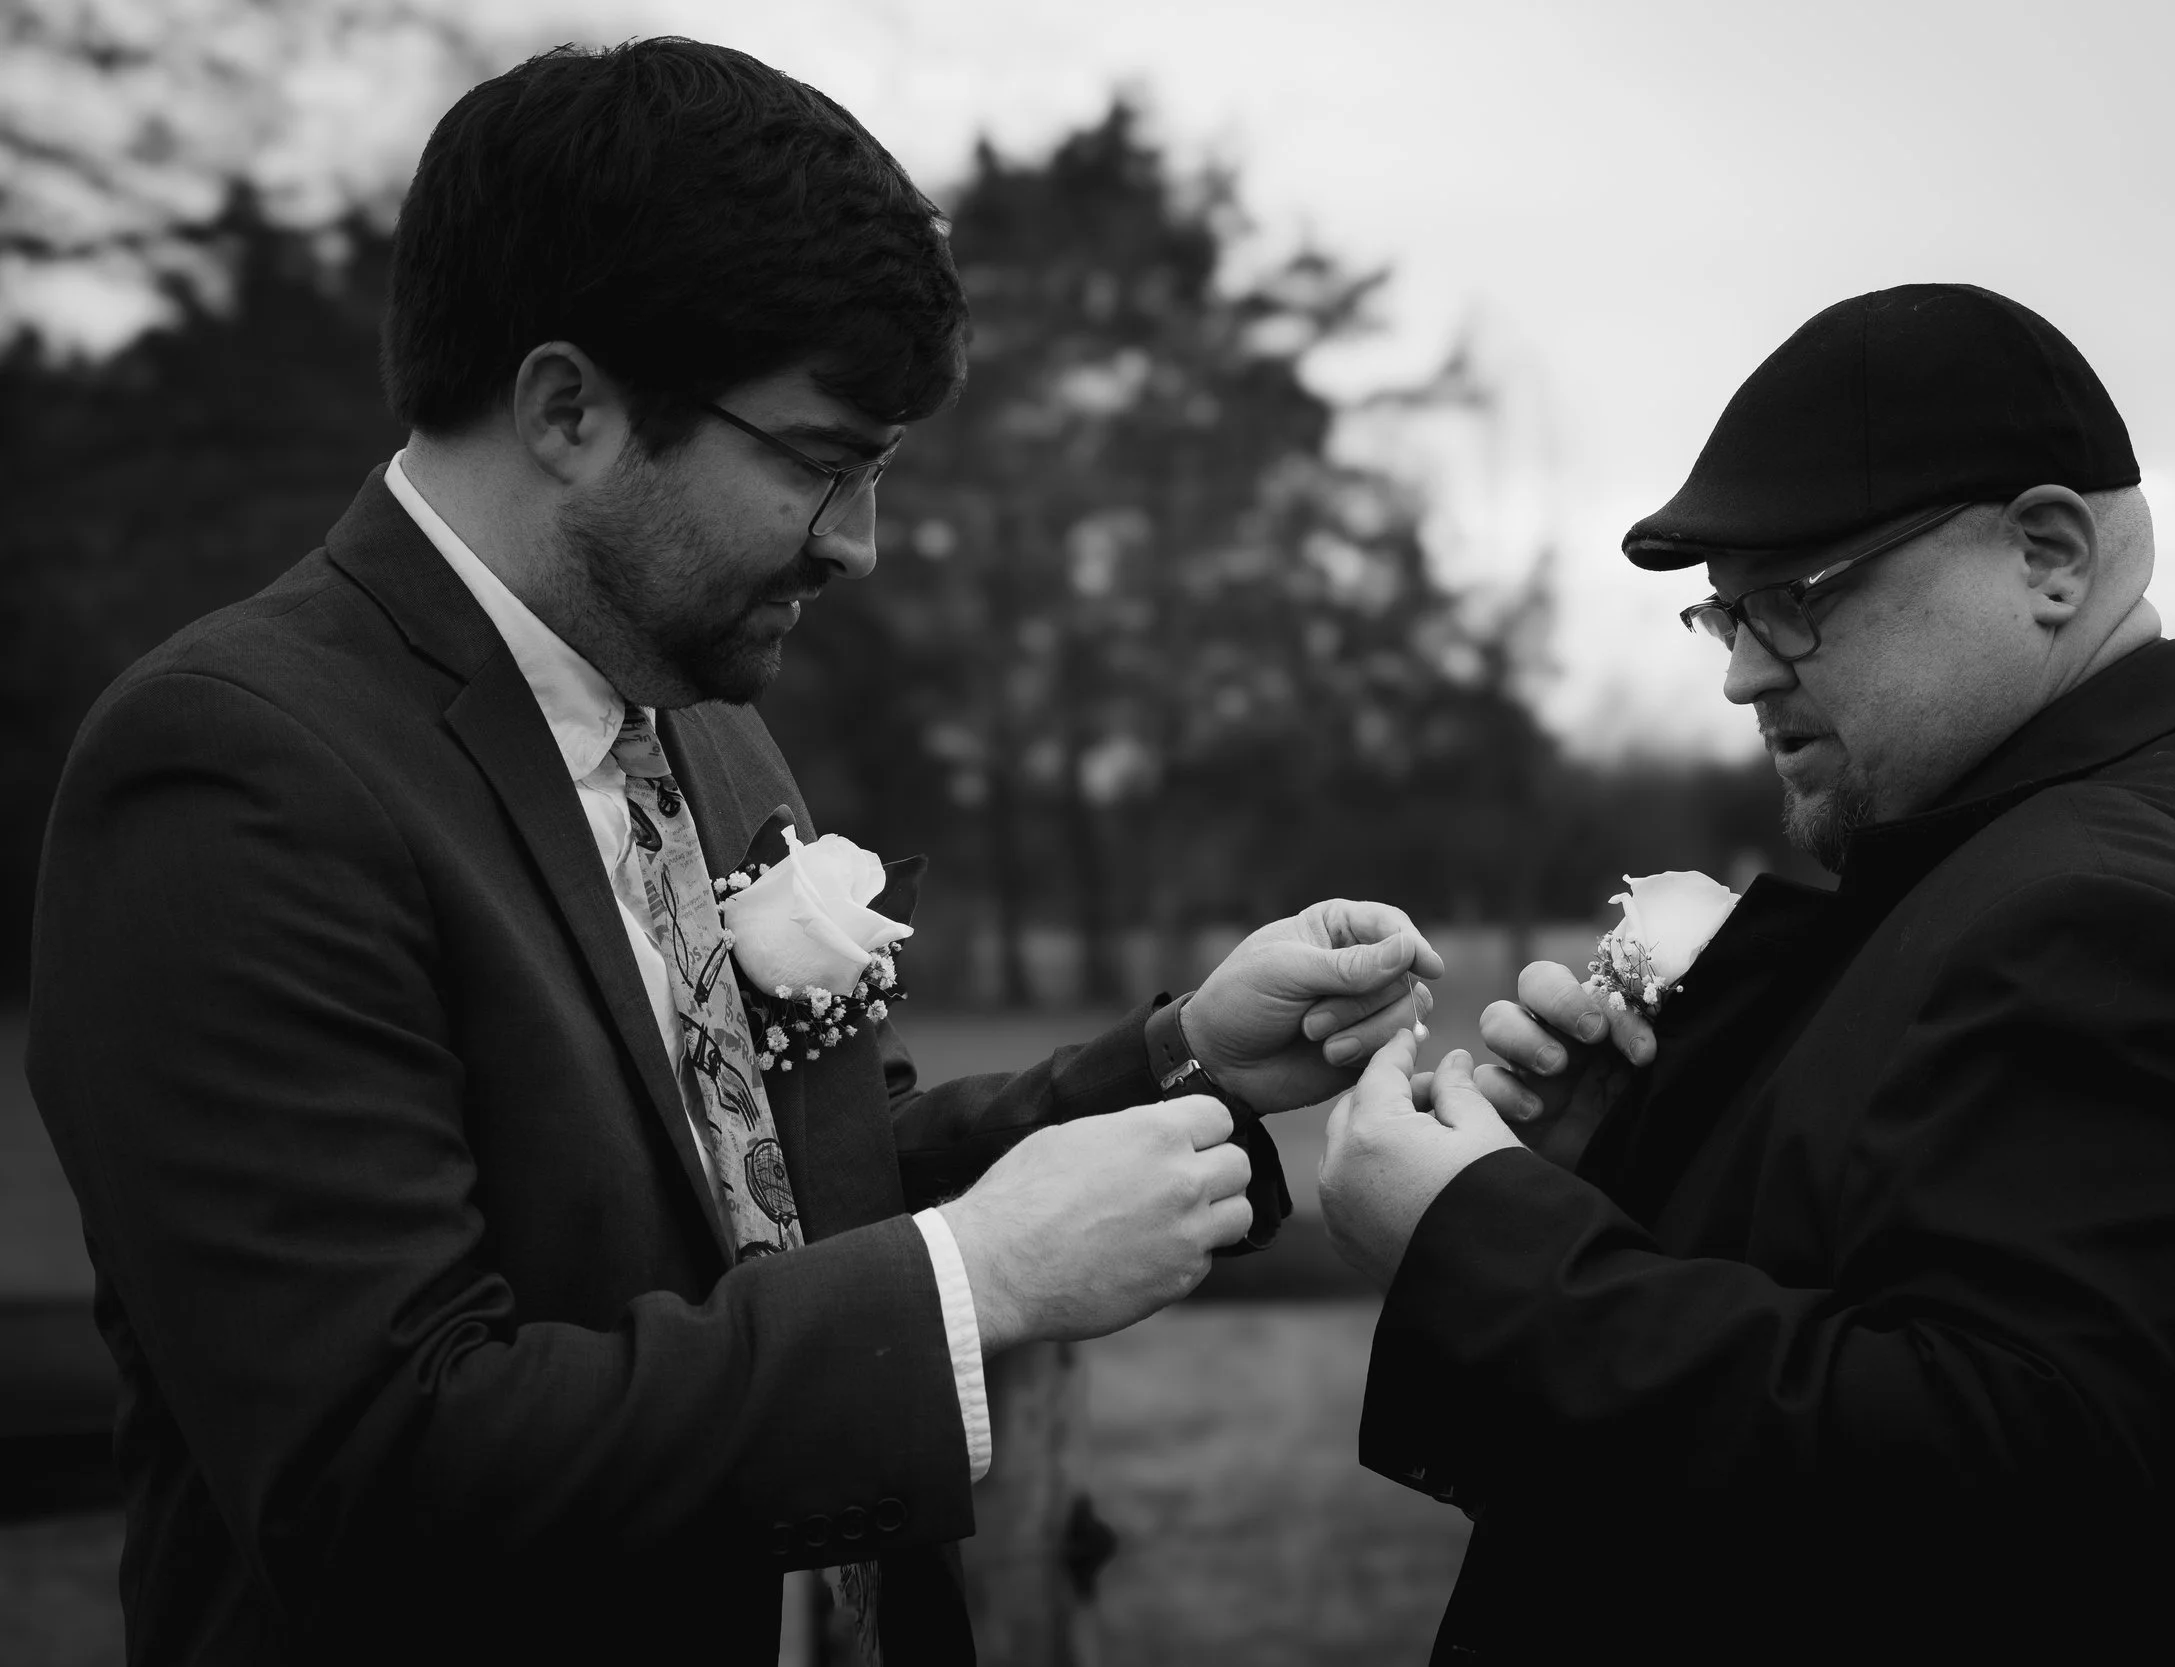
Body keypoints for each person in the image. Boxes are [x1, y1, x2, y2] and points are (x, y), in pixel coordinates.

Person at [26, 39, 1437, 1667]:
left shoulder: (693, 715)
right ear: (567, 407)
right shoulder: (233, 773)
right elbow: (383, 1463)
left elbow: (793, 1202)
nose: (859, 543)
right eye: (823, 462)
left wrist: (1183, 1059)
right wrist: (962, 1288)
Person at [1319, 283, 2175, 1663]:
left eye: (1797, 601)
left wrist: (1481, 1238)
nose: (1745, 676)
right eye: (1727, 614)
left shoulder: (2109, 920)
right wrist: (1627, 1148)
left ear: (2051, 556)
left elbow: (2000, 1498)